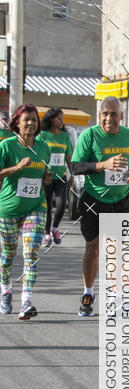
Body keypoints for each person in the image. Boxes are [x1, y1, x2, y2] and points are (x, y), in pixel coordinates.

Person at [70, 96, 129, 316]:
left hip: (121, 200)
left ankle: (114, 297)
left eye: (113, 114)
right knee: (92, 248)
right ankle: (88, 292)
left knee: (118, 251)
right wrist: (102, 165)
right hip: (94, 200)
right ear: (99, 115)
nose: (108, 118)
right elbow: (75, 167)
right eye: (105, 113)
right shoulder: (89, 136)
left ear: (121, 116)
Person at [0, 104, 51, 319]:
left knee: (31, 254)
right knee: (7, 257)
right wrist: (17, 168)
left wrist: (47, 177)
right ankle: (5, 290)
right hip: (9, 209)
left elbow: (45, 177)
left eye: (34, 120)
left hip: (36, 207)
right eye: (26, 119)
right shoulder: (7, 146)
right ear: (17, 123)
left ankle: (26, 301)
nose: (31, 123)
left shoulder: (44, 148)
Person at [39, 107, 73, 247]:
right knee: (47, 206)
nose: (61, 121)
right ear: (51, 119)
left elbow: (68, 157)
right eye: (59, 119)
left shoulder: (65, 136)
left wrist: (72, 174)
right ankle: (47, 234)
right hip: (46, 176)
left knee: (61, 204)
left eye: (62, 119)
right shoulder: (42, 135)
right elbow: (38, 155)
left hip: (61, 176)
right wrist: (42, 172)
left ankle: (55, 228)